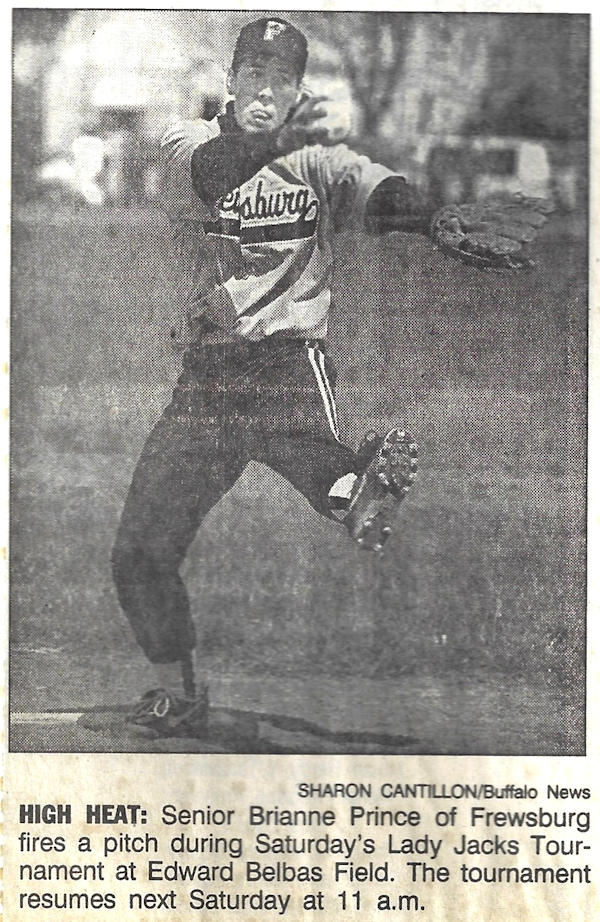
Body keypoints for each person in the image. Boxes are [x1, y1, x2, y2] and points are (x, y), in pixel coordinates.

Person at [111, 17, 436, 739]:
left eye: (280, 79)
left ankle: (358, 490)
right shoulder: (188, 140)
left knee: (316, 460)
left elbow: (379, 193)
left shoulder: (316, 161)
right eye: (253, 74)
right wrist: (300, 146)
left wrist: (440, 219)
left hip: (287, 363)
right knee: (138, 552)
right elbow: (218, 173)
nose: (264, 90)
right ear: (230, 81)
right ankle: (178, 693)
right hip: (208, 376)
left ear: (296, 91)